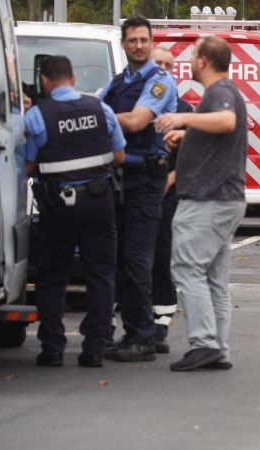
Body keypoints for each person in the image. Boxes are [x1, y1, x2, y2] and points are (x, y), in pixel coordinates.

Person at [25, 56, 126, 367]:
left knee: (53, 276)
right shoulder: (101, 109)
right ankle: (95, 348)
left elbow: (27, 166)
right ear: (72, 78)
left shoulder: (37, 116)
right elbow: (119, 156)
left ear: (44, 81)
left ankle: (52, 348)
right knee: (100, 274)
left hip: (58, 206)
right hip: (98, 203)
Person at [155, 36, 247, 372]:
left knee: (188, 269)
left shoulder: (220, 93)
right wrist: (188, 135)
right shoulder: (224, 93)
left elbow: (226, 123)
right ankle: (217, 347)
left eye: (193, 55)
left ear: (204, 60)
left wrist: (184, 121)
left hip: (209, 199)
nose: (189, 62)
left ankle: (204, 343)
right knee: (213, 278)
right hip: (224, 198)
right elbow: (218, 136)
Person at [100, 16, 178, 363]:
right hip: (119, 179)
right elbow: (104, 109)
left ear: (150, 41)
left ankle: (144, 337)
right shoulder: (117, 84)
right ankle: (132, 330)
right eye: (132, 40)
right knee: (120, 259)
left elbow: (135, 121)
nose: (139, 46)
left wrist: (93, 114)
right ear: (124, 44)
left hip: (147, 180)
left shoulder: (159, 83)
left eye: (144, 40)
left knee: (136, 258)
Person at [150, 46, 194, 354]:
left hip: (166, 196)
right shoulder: (139, 102)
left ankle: (160, 325)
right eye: (158, 63)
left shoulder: (184, 109)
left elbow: (191, 158)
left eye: (169, 64)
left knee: (161, 258)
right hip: (137, 194)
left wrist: (167, 181)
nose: (164, 68)